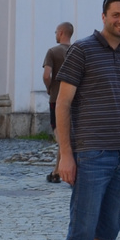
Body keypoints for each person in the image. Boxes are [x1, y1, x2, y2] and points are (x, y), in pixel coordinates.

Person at [54, 0, 120, 240]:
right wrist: (66, 155)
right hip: (91, 155)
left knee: (106, 234)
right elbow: (62, 104)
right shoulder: (82, 50)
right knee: (81, 233)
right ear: (104, 16)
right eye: (116, 14)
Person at [44, 22, 75, 184]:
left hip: (56, 98)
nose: (55, 34)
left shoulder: (52, 52)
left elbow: (46, 75)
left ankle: (58, 170)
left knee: (60, 136)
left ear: (61, 32)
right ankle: (56, 171)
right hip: (74, 99)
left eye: (56, 32)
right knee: (66, 135)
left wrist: (49, 88)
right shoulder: (76, 51)